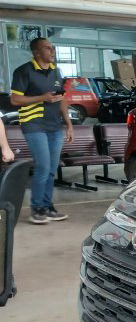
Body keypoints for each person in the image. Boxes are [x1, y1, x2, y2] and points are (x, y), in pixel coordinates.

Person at [9, 38, 73, 224]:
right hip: (33, 124)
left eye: (52, 48)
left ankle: (47, 206)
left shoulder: (56, 71)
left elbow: (62, 99)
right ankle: (37, 208)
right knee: (43, 166)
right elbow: (15, 100)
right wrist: (41, 98)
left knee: (52, 168)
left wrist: (68, 124)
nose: (52, 51)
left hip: (54, 126)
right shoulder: (24, 71)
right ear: (36, 52)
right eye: (47, 48)